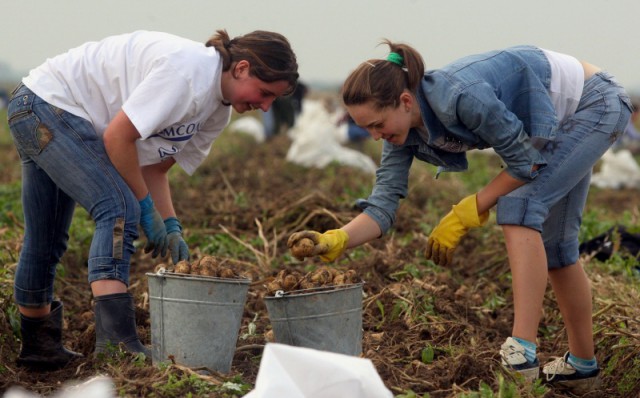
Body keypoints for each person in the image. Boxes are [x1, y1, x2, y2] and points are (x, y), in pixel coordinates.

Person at [288, 40, 632, 393]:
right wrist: (338, 238)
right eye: (368, 129)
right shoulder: (401, 133)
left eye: (377, 125)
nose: (376, 137)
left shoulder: (462, 96)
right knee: (557, 248)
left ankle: (522, 352)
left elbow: (525, 164)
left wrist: (470, 209)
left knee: (519, 208)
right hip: (557, 122)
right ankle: (582, 367)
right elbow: (383, 205)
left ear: (405, 101)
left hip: (593, 103)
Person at [7, 29, 298, 370]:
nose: (264, 107)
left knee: (47, 236)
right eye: (264, 94)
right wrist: (144, 208)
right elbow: (118, 137)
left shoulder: (216, 112)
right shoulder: (188, 73)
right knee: (118, 208)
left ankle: (39, 347)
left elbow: (155, 170)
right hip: (48, 105)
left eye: (271, 101)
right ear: (241, 68)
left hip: (39, 108)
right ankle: (117, 345)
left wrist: (171, 224)